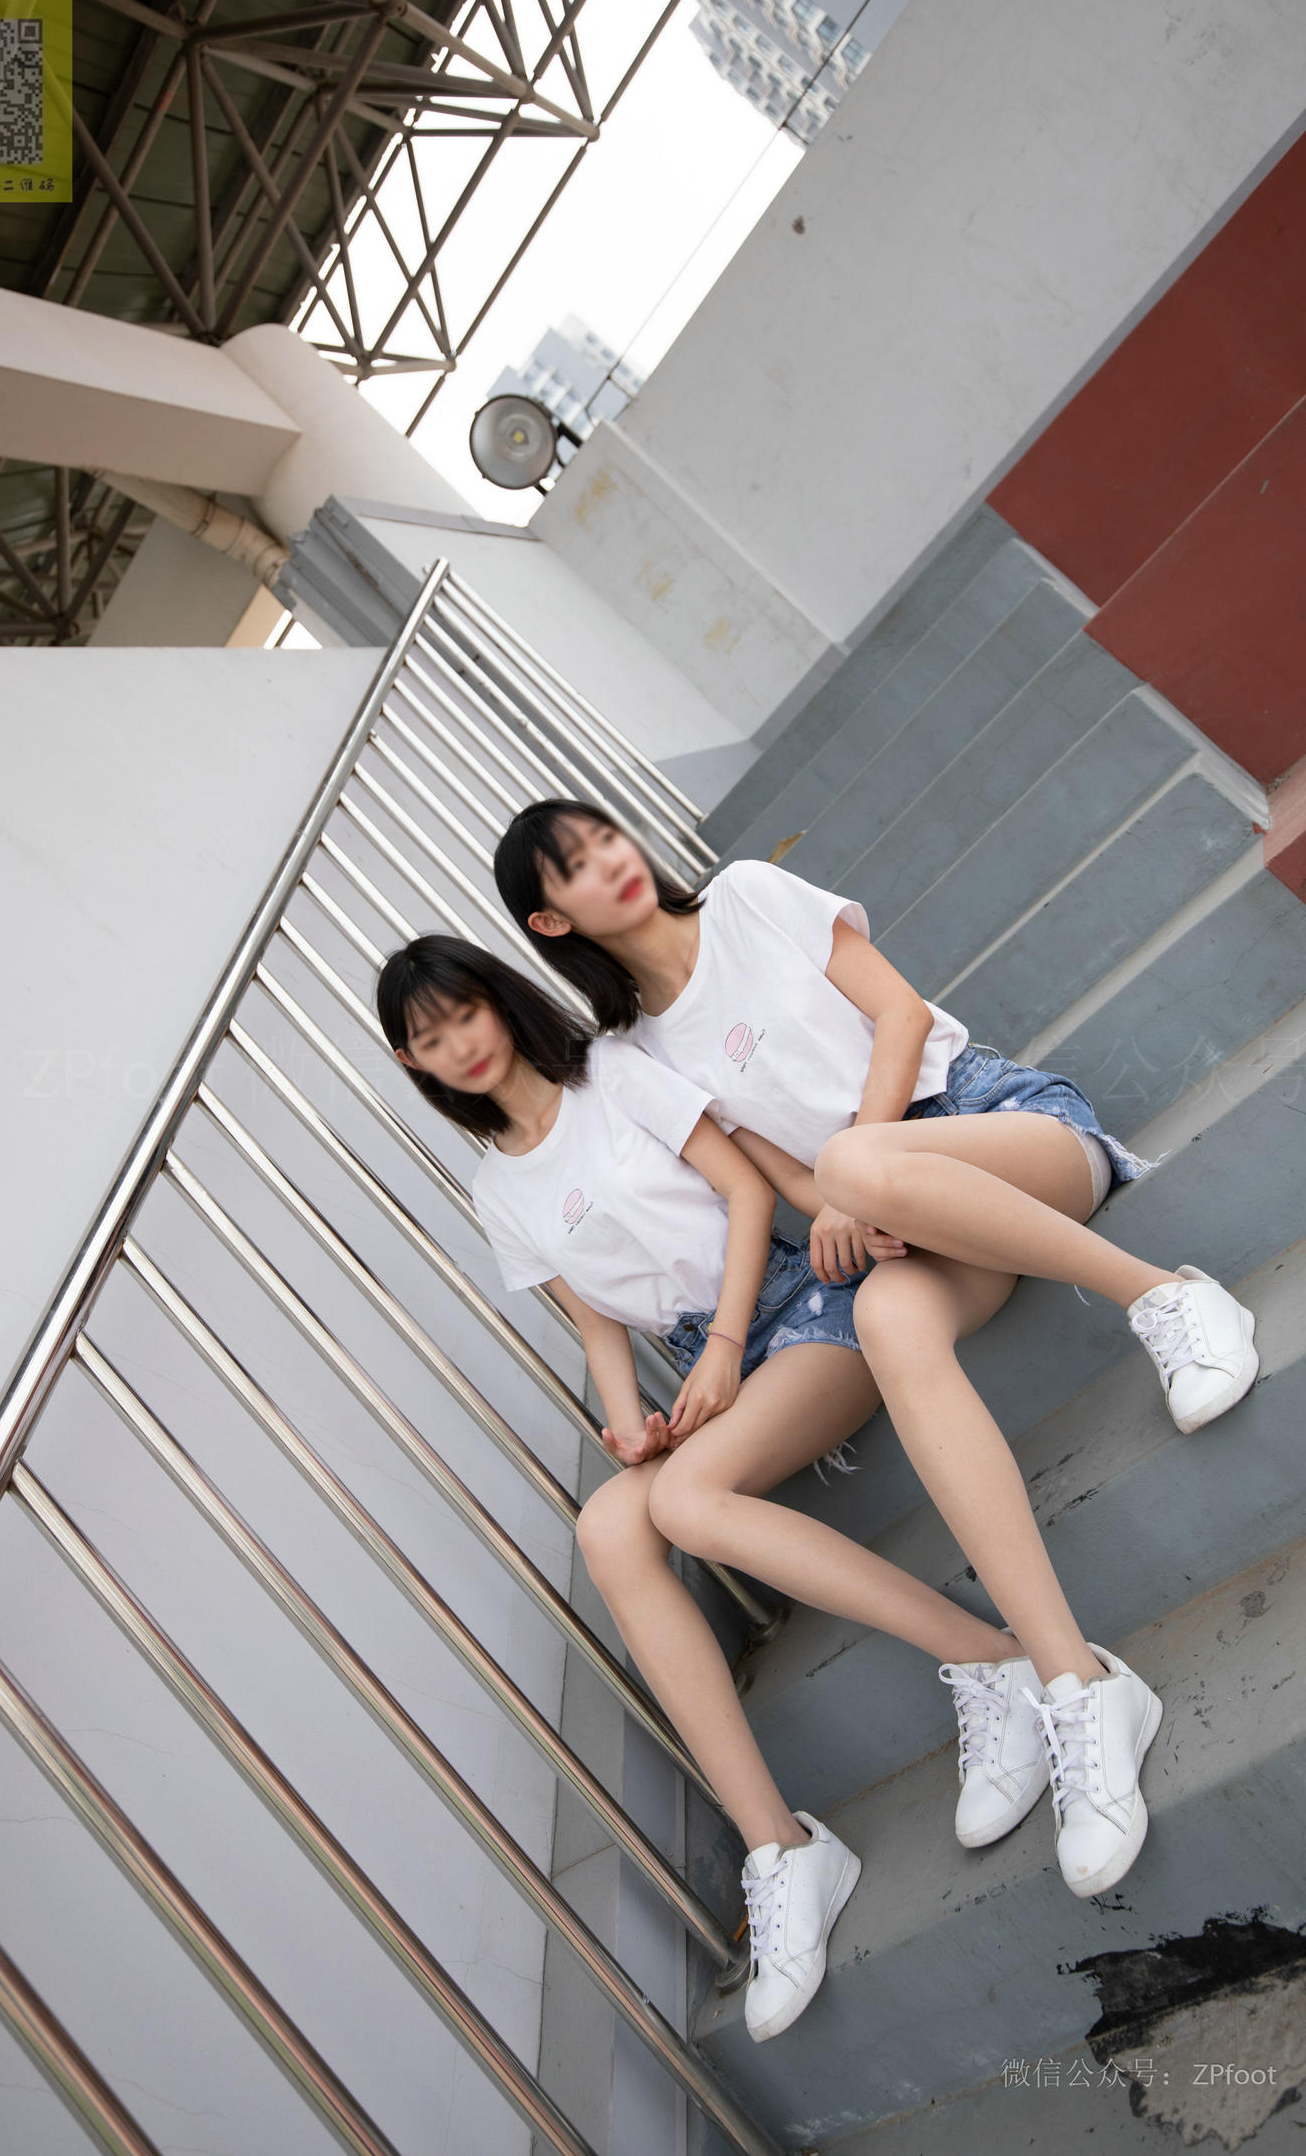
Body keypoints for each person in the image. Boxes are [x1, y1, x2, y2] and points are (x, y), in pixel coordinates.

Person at [493, 798, 1261, 1902]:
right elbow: (786, 1182)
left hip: (993, 1127)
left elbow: (899, 1015)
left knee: (857, 1166)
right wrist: (847, 1206)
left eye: (605, 835)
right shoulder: (638, 1051)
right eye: (574, 866)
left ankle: (1165, 1297)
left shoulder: (749, 896)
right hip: (902, 1221)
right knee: (890, 1320)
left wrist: (861, 1168)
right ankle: (1077, 1680)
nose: (609, 860)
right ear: (551, 920)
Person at [376, 933, 1050, 2042]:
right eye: (430, 1039)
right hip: (706, 1369)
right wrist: (625, 1423)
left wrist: (731, 1344)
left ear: (497, 1001)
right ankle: (782, 1849)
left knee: (690, 1506)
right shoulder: (497, 1190)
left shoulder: (611, 1075)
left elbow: (743, 1192)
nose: (460, 1044)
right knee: (610, 1528)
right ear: (415, 1065)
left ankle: (994, 1659)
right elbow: (598, 1324)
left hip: (798, 1305)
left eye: (464, 1014)